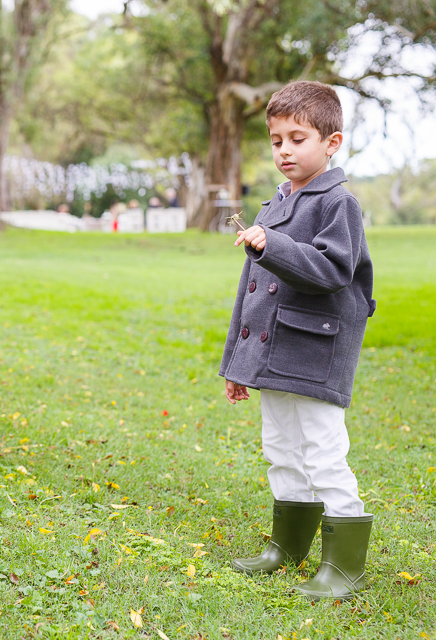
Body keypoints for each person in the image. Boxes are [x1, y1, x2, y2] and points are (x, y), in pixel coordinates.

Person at [220, 81, 376, 601]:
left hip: (315, 352)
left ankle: (345, 566)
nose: (284, 150)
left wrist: (275, 245)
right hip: (274, 354)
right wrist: (239, 366)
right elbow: (252, 297)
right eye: (276, 139)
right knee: (280, 449)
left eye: (297, 138)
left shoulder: (338, 203)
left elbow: (332, 270)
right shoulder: (272, 206)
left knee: (323, 453)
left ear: (331, 142)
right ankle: (287, 548)